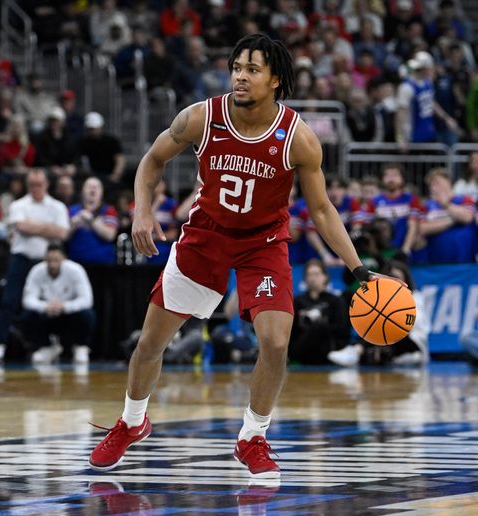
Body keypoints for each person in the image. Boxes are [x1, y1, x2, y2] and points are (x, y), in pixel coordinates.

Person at [87, 34, 391, 479]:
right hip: (206, 236)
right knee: (151, 343)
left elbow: (322, 210)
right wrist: (143, 211)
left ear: (275, 81)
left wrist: (359, 268)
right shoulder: (201, 117)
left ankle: (253, 435)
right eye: (237, 67)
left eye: (252, 70)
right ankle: (132, 422)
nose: (240, 77)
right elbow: (151, 160)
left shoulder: (298, 139)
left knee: (274, 341)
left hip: (263, 243)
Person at [0, 169, 69, 362]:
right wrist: (48, 228)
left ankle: (44, 344)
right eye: (32, 185)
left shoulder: (57, 207)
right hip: (21, 259)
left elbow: (63, 233)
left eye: (39, 184)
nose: (36, 188)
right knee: (10, 301)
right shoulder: (19, 205)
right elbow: (21, 227)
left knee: (44, 302)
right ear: (27, 185)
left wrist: (34, 227)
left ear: (46, 185)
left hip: (45, 262)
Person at [20, 243, 94, 365]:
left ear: (63, 259)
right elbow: (27, 300)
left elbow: (87, 300)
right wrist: (45, 306)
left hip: (69, 315)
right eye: (49, 261)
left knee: (87, 314)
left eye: (56, 260)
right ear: (45, 259)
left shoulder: (76, 270)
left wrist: (64, 306)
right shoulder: (36, 271)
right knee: (28, 315)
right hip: (47, 314)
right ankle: (46, 347)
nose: (52, 264)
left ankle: (81, 347)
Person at [287, 259, 349, 365]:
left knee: (318, 327)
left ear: (325, 277)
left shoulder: (335, 300)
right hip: (303, 347)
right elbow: (292, 329)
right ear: (305, 278)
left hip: (327, 345)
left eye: (316, 274)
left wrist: (322, 324)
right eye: (309, 275)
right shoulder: (298, 301)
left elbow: (342, 327)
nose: (312, 278)